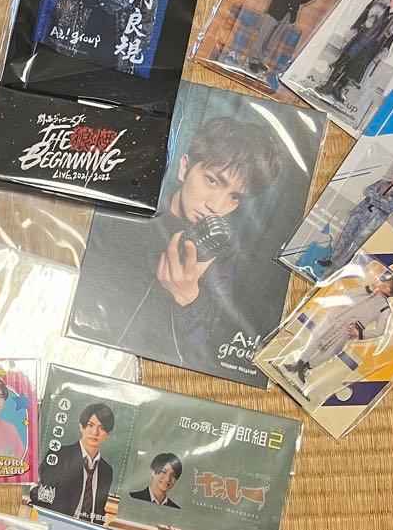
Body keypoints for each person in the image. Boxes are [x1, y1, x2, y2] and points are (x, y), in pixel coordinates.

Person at [105, 116, 283, 371]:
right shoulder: (136, 207)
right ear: (184, 168)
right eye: (212, 180)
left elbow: (206, 337)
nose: (216, 206)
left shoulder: (224, 247)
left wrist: (188, 296)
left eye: (234, 197)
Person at [282, 276, 393, 399]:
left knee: (328, 353)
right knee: (316, 339)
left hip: (348, 330)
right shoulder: (369, 290)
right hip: (336, 318)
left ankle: (306, 367)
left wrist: (359, 333)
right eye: (388, 282)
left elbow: (380, 331)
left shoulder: (385, 308)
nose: (385, 284)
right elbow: (348, 294)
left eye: (390, 286)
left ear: (391, 293)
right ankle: (298, 363)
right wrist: (367, 289)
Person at [28, 402, 115, 524]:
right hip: (56, 525)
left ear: (108, 434)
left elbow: (99, 510)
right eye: (90, 425)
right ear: (81, 427)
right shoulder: (59, 455)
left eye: (102, 428)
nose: (95, 433)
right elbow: (42, 498)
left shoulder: (107, 471)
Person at [319, 0, 393, 102]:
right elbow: (362, 16)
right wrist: (353, 30)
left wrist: (384, 50)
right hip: (362, 37)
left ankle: (338, 88)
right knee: (344, 61)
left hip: (374, 45)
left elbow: (391, 36)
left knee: (355, 68)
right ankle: (328, 85)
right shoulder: (379, 1)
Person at [317, 167, 393, 274]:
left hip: (372, 222)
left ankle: (338, 266)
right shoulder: (382, 182)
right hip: (359, 212)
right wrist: (382, 200)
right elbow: (368, 191)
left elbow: (389, 208)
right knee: (345, 235)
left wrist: (374, 199)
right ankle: (332, 259)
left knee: (355, 243)